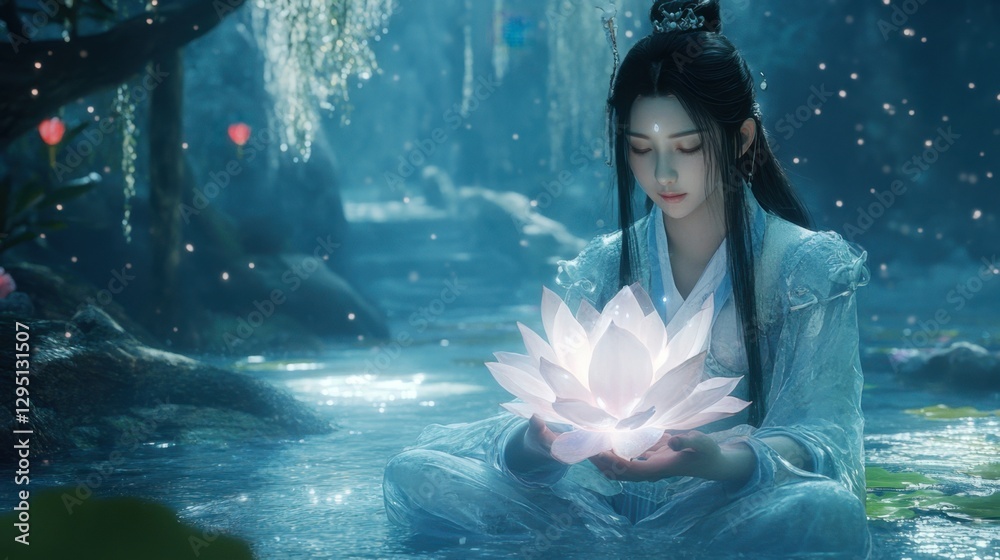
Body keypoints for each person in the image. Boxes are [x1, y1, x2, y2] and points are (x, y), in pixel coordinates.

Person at [383, 0, 872, 556]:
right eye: (641, 149)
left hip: (726, 508)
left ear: (741, 140)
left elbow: (823, 435)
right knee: (415, 473)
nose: (662, 174)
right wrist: (537, 443)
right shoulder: (598, 267)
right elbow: (552, 419)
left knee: (826, 513)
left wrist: (719, 460)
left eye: (687, 147)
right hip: (596, 508)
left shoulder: (807, 269)